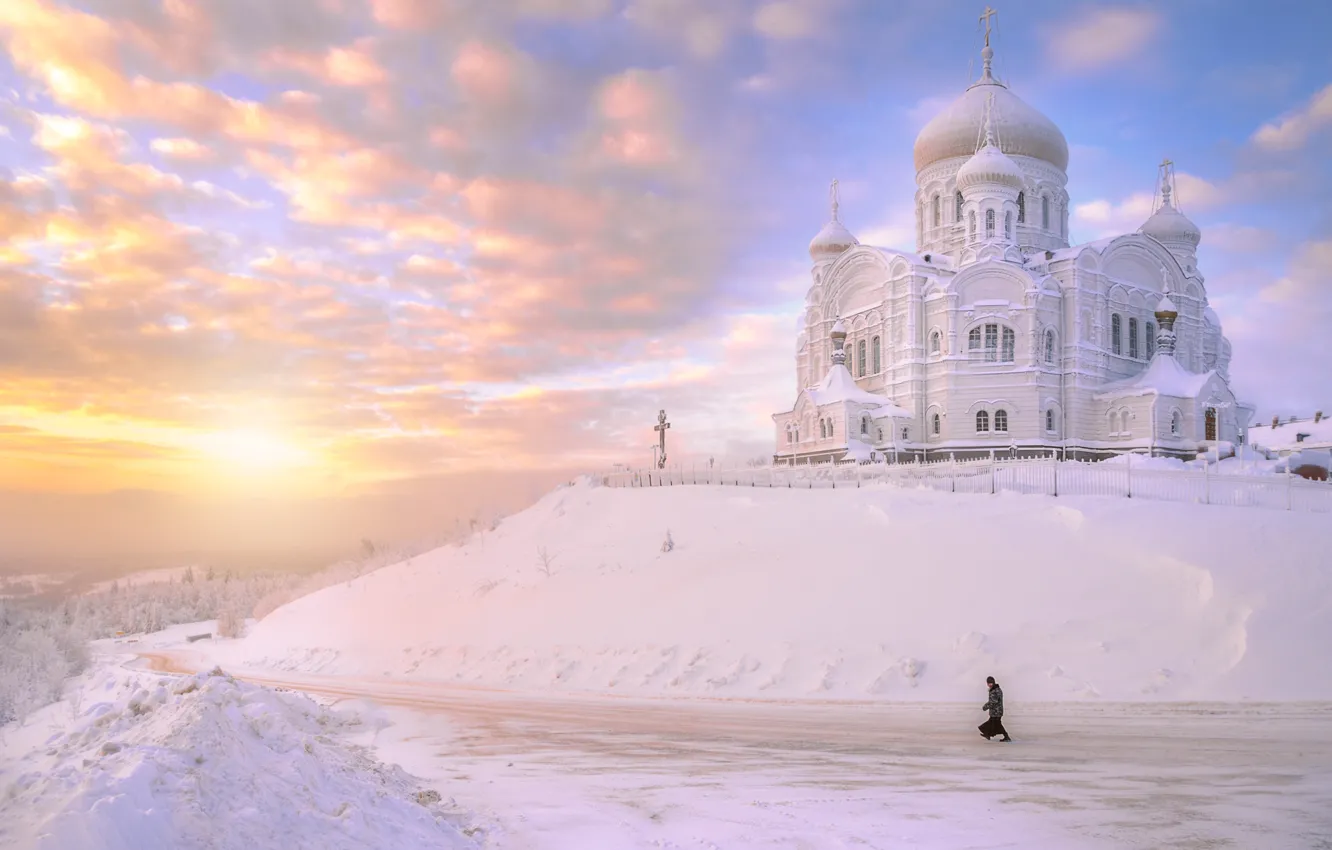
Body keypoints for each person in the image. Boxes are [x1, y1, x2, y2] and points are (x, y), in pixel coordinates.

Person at [979, 676, 1012, 742]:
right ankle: (988, 734)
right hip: (996, 711)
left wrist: (985, 707)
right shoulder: (995, 689)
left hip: (996, 712)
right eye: (988, 683)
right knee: (992, 723)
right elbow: (992, 701)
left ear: (993, 682)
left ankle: (1006, 737)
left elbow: (993, 702)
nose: (990, 684)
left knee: (997, 724)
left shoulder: (995, 690)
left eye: (991, 683)